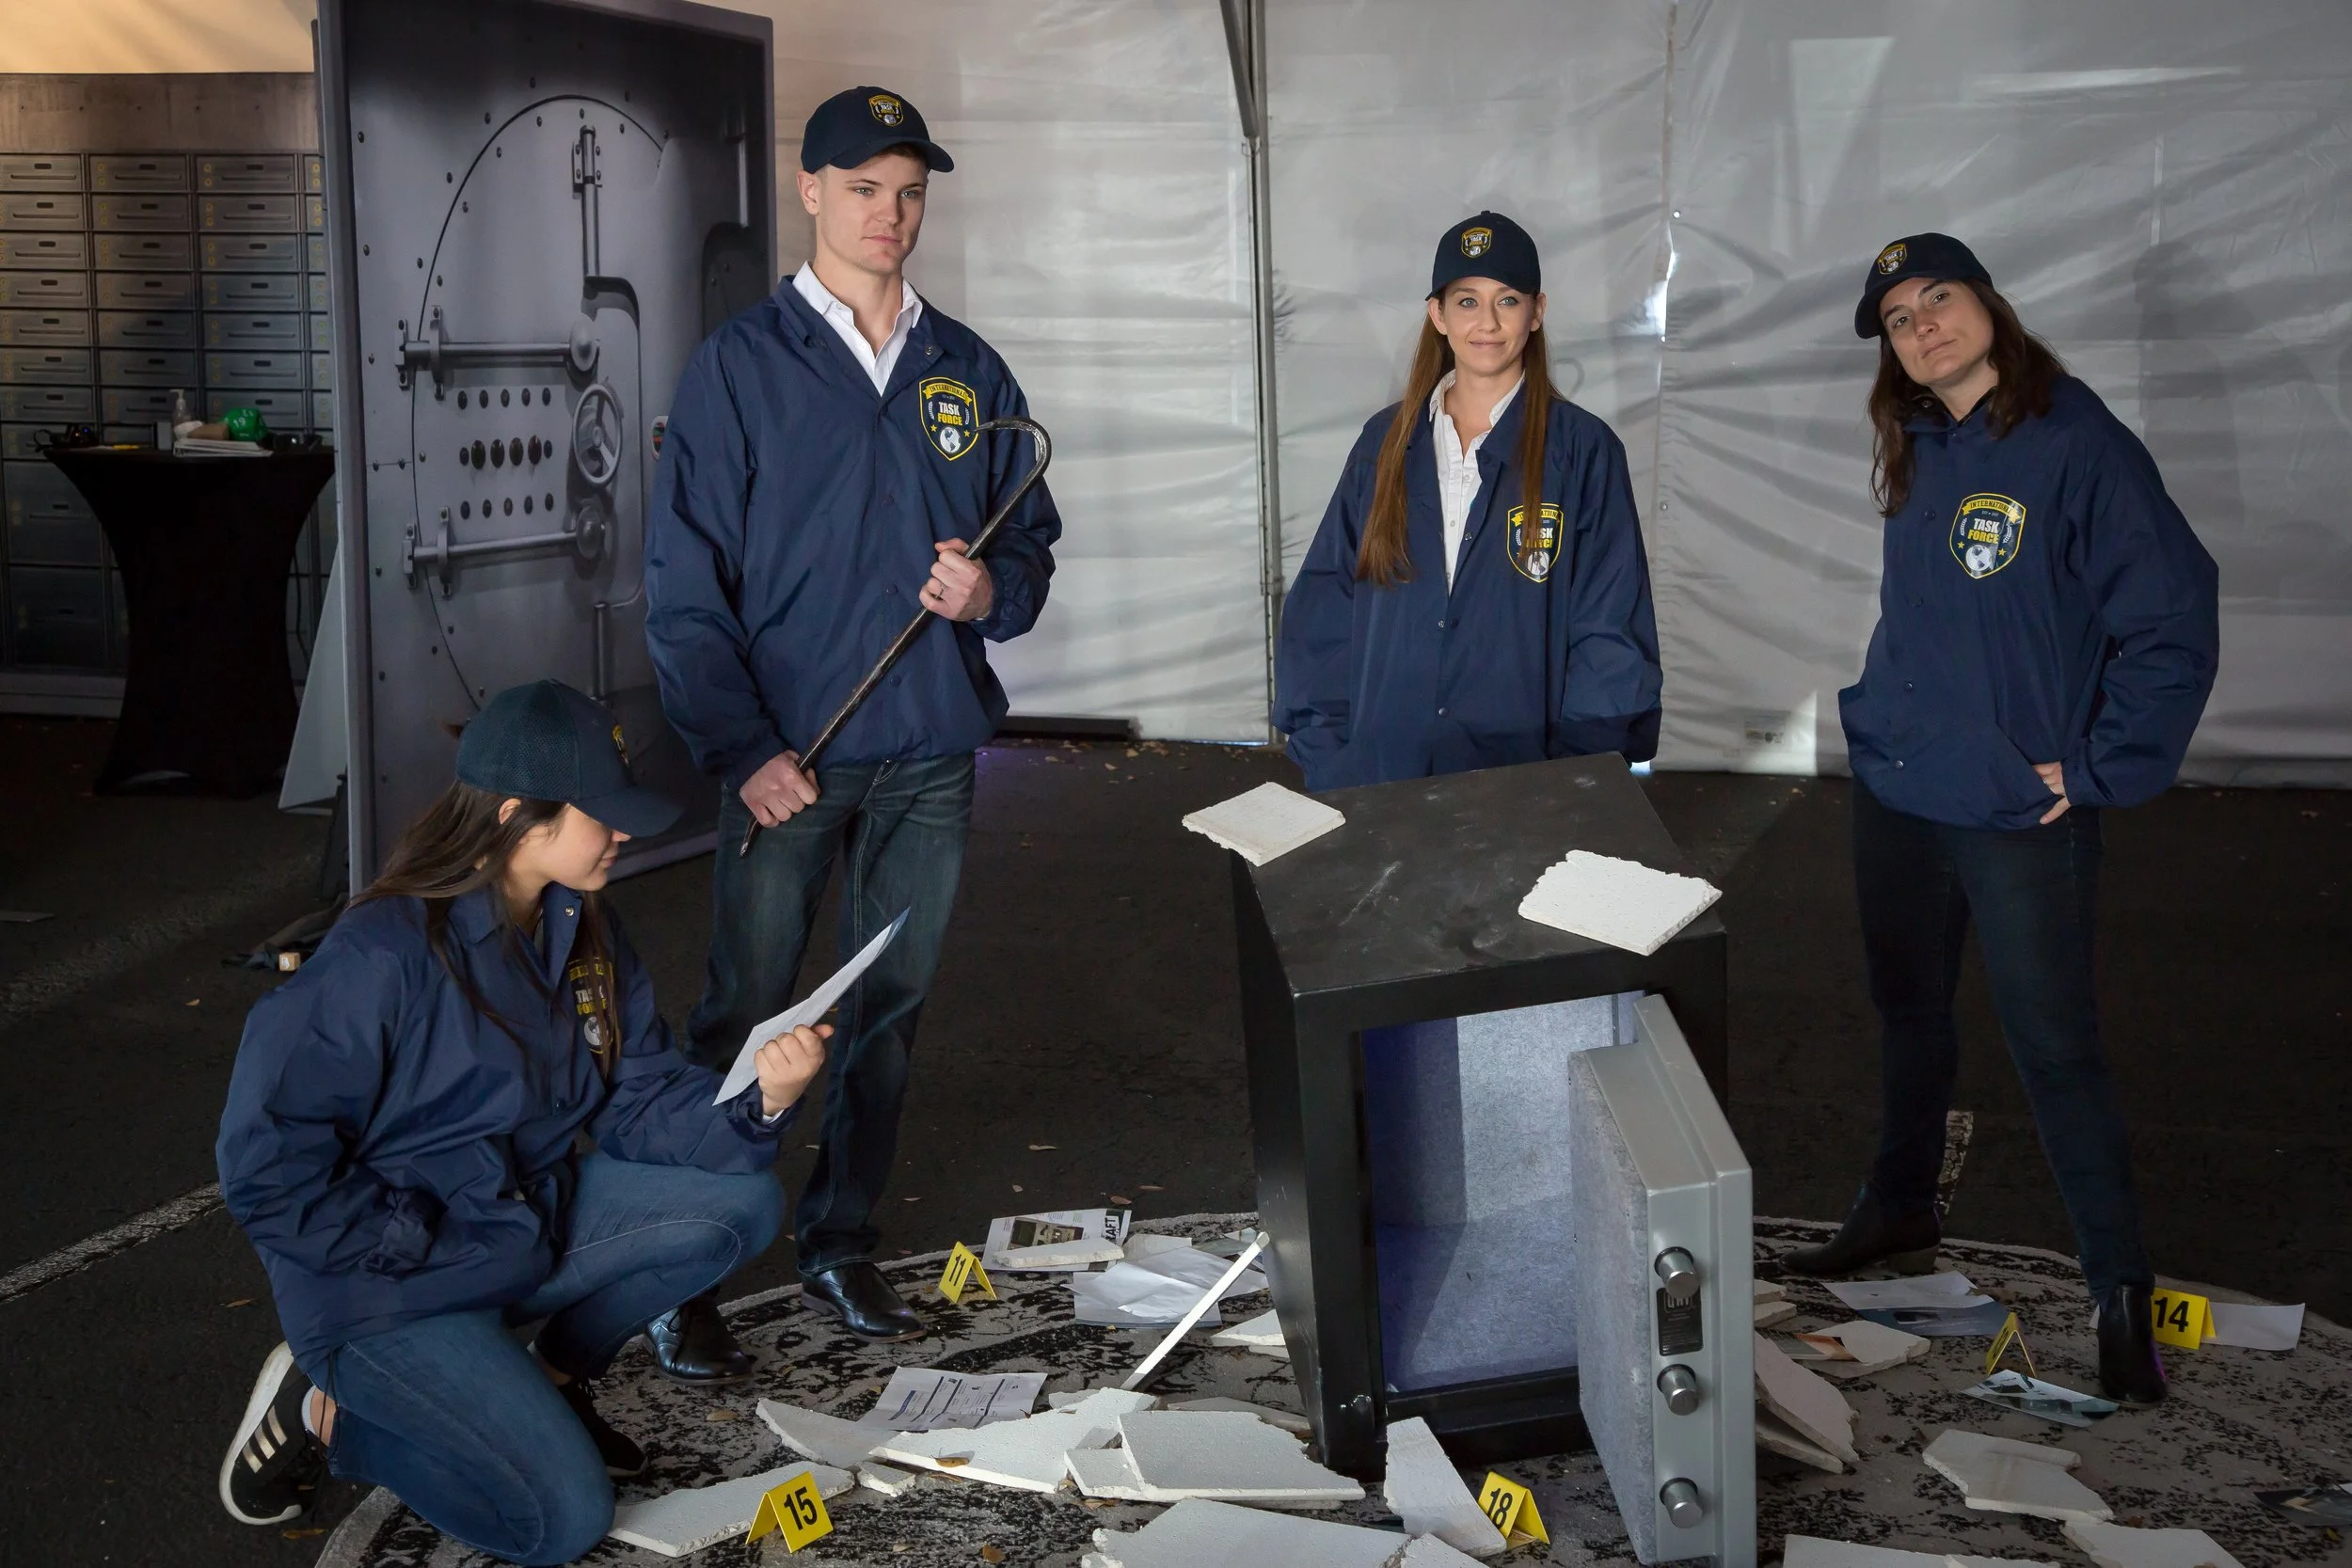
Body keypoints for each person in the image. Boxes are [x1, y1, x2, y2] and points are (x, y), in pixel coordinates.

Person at [215, 680, 826, 1562]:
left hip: (513, 1228)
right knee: (561, 1522)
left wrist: (765, 1096)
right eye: (603, 813)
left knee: (740, 1203)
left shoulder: (586, 928)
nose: (624, 831)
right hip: (387, 1285)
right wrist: (413, 1241)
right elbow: (267, 1169)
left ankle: (551, 1379)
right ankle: (326, 1416)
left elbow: (642, 1101)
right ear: (516, 817)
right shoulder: (380, 952)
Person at [642, 85, 1059, 1366]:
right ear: (811, 192)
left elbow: (1027, 544)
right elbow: (682, 580)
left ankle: (837, 1237)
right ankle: (682, 1259)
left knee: (889, 1009)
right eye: (865, 187)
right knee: (750, 1010)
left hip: (931, 754)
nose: (891, 213)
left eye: (911, 189)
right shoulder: (739, 369)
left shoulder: (967, 369)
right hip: (789, 763)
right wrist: (742, 749)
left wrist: (991, 592)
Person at [1785, 233, 2219, 1408]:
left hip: (2016, 808)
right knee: (1908, 1012)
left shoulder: (2077, 443)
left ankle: (2118, 1293)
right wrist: (1880, 724)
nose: (1922, 324)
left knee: (2055, 1049)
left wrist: (2100, 764)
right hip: (1900, 790)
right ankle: (1896, 1205)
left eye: (1939, 297)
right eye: (1897, 317)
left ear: (1987, 303)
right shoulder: (1919, 443)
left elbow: (2174, 615)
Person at [1275, 211, 1661, 791]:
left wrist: (1578, 772)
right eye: (1466, 301)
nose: (1487, 322)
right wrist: (1331, 753)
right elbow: (1326, 602)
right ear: (1437, 314)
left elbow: (1609, 628)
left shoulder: (1582, 451)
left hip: (1519, 779)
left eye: (1507, 301)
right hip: (1384, 769)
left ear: (1537, 312)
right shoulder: (1385, 444)